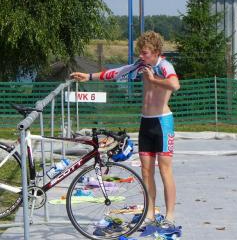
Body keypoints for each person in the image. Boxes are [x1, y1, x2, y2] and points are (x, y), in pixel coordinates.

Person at [70, 31, 180, 229]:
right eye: (140, 53)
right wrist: (89, 76)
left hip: (162, 123)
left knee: (165, 171)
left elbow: (175, 84)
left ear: (156, 52)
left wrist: (153, 79)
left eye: (145, 53)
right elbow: (117, 72)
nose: (141, 56)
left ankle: (170, 216)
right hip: (146, 122)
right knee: (146, 171)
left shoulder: (164, 66)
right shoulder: (141, 65)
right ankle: (150, 213)